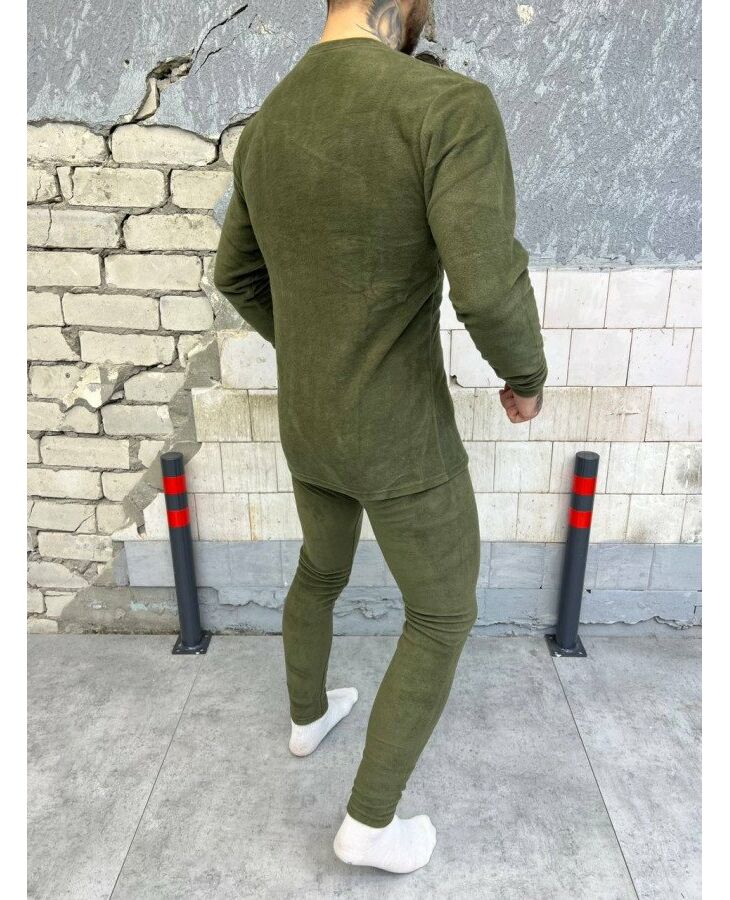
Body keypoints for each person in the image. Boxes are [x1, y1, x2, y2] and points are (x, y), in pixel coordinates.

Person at [214, 0, 547, 875]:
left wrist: (312, 351)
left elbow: (235, 275)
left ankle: (306, 717)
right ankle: (369, 823)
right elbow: (486, 282)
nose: (421, 31)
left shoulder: (268, 122)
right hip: (397, 431)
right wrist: (525, 376)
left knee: (320, 570)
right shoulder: (446, 106)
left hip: (308, 420)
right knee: (442, 613)